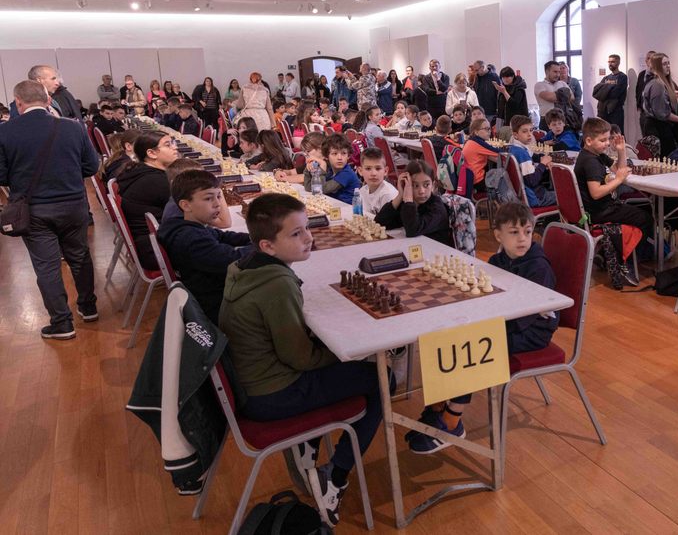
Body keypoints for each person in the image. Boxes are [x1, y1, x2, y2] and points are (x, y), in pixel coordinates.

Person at [218, 193, 382, 526]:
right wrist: (345, 350)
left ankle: (308, 444)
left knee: (348, 360)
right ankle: (335, 476)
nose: (308, 237)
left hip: (250, 385)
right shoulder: (277, 284)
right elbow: (301, 358)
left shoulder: (243, 267)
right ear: (267, 246)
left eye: (306, 228)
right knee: (380, 378)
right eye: (296, 233)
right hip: (272, 394)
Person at [404, 202, 559, 454]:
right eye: (514, 232)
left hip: (532, 332)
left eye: (528, 232)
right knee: (446, 336)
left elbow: (525, 316)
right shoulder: (498, 260)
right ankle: (437, 408)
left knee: (471, 346)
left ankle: (453, 421)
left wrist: (483, 326)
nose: (522, 238)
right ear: (498, 235)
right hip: (508, 322)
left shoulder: (538, 267)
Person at [0, 80, 99, 339]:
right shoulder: (73, 127)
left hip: (34, 210)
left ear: (18, 103)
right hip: (74, 204)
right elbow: (91, 167)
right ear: (47, 101)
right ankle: (88, 307)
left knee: (47, 266)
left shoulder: (5, 131)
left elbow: (1, 175)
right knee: (80, 256)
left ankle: (62, 323)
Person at [157, 170, 251, 321]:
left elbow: (223, 236)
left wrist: (255, 238)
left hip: (207, 290)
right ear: (186, 205)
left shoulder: (186, 226)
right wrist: (268, 246)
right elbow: (232, 259)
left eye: (218, 196)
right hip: (216, 303)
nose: (217, 204)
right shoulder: (191, 238)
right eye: (208, 198)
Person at [575, 117, 652, 287]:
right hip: (600, 211)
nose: (607, 143)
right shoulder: (591, 162)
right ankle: (625, 261)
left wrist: (621, 151)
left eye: (608, 139)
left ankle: (611, 254)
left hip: (599, 209)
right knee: (645, 218)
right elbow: (596, 193)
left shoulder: (594, 154)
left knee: (642, 211)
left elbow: (619, 169)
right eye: (603, 140)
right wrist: (618, 180)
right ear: (589, 140)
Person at [117, 131, 179, 271]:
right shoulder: (157, 181)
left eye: (173, 143)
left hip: (149, 243)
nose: (175, 147)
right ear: (151, 153)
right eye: (168, 145)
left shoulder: (140, 171)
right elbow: (195, 214)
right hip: (157, 250)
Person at [374, 161, 451, 244]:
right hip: (413, 246)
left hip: (435, 250)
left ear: (433, 185)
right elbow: (379, 222)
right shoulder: (408, 204)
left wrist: (408, 200)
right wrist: (400, 195)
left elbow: (412, 230)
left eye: (426, 185)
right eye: (415, 186)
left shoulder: (437, 208)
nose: (422, 191)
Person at [509, 115, 557, 207]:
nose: (529, 134)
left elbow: (532, 156)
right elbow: (532, 181)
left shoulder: (514, 148)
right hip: (535, 197)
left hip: (525, 195)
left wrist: (542, 159)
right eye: (524, 131)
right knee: (568, 194)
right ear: (515, 135)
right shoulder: (522, 154)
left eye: (531, 130)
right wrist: (543, 164)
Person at [641, 52, 678, 154]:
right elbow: (662, 113)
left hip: (661, 126)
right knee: (664, 158)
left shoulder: (664, 83)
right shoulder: (657, 85)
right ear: (657, 66)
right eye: (664, 64)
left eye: (668, 63)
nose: (668, 66)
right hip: (658, 128)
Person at [355, 147, 398, 216]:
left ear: (385, 171)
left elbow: (388, 221)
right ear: (360, 171)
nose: (373, 173)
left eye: (378, 168)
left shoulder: (388, 194)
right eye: (368, 169)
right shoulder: (362, 191)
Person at [462, 118, 500, 191]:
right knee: (503, 178)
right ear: (476, 132)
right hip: (477, 181)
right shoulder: (479, 143)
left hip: (469, 178)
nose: (489, 131)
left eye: (489, 129)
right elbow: (500, 153)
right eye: (486, 129)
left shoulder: (471, 140)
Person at [593, 54, 628, 131]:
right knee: (606, 133)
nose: (610, 64)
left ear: (618, 63)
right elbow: (597, 92)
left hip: (616, 112)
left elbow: (615, 93)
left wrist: (605, 89)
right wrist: (610, 87)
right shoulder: (606, 78)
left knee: (617, 133)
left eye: (612, 62)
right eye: (609, 62)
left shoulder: (622, 77)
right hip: (604, 112)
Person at [321, 134, 359, 204]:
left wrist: (321, 169)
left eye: (343, 153)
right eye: (335, 153)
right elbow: (310, 188)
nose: (339, 158)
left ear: (348, 156)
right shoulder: (330, 171)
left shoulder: (347, 173)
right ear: (327, 156)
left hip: (348, 209)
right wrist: (308, 169)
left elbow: (322, 189)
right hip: (334, 207)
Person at [534, 61, 567, 129]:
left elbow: (572, 97)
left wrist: (556, 95)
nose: (558, 75)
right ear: (547, 72)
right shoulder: (539, 85)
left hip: (562, 120)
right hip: (546, 121)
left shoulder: (562, 83)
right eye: (555, 72)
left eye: (559, 72)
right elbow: (550, 98)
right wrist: (563, 94)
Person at [635, 50, 658, 131]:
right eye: (648, 58)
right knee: (644, 134)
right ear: (645, 61)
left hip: (654, 113)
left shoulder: (659, 75)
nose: (650, 60)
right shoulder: (641, 74)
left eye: (652, 58)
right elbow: (638, 90)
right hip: (643, 112)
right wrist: (638, 106)